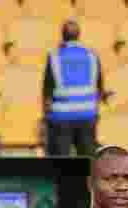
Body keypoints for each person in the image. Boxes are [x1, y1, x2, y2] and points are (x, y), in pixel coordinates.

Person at [44, 20, 103, 158]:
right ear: (79, 35)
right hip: (87, 114)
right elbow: (99, 85)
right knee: (87, 160)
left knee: (61, 162)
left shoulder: (55, 57)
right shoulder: (92, 56)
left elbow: (47, 89)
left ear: (62, 35)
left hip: (61, 117)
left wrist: (47, 114)